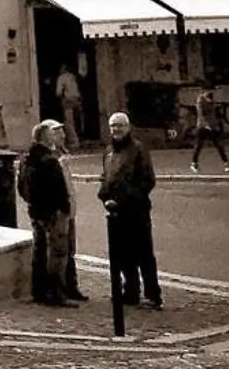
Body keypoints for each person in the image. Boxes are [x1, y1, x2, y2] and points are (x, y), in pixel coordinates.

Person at [98, 111, 161, 309]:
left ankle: (153, 294)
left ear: (128, 127)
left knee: (143, 254)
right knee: (123, 255)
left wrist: (126, 199)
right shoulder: (109, 151)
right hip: (116, 212)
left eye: (120, 125)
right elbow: (105, 178)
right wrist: (105, 197)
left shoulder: (137, 150)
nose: (116, 129)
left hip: (136, 210)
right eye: (113, 126)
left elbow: (147, 180)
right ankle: (130, 291)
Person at [22, 120, 86, 307]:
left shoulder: (29, 158)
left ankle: (48, 290)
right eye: (56, 133)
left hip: (39, 211)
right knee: (56, 252)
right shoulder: (48, 160)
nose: (62, 136)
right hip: (53, 213)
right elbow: (56, 188)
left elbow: (24, 188)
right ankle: (56, 293)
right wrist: (62, 208)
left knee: (44, 251)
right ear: (46, 136)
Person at [190, 80, 229, 173]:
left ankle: (227, 164)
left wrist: (215, 124)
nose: (211, 92)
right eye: (209, 90)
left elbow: (212, 114)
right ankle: (194, 163)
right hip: (202, 126)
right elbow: (201, 114)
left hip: (212, 126)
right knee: (199, 146)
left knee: (219, 145)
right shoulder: (200, 100)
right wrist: (207, 125)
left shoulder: (211, 99)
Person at [55, 65, 84, 150]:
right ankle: (82, 137)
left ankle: (74, 142)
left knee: (69, 122)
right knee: (79, 120)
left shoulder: (61, 78)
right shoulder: (73, 76)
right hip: (78, 99)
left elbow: (58, 92)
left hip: (68, 100)